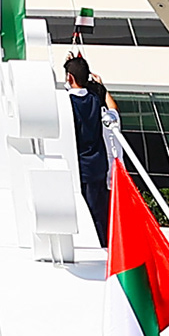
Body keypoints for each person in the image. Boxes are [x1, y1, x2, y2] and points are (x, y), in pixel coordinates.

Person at [62, 54, 110, 242]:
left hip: (81, 167)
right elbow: (110, 105)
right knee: (101, 213)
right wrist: (99, 85)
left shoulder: (67, 103)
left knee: (88, 215)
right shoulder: (95, 98)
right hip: (99, 165)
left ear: (69, 77)